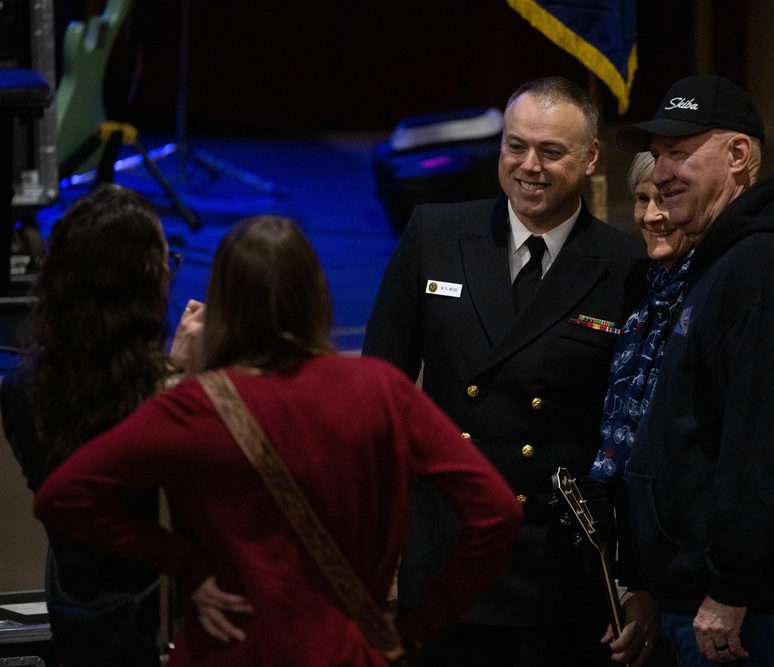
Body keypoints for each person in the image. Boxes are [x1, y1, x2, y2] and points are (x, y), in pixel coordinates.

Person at [33, 215, 524, 666]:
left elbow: (63, 496)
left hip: (227, 651)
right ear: (317, 292)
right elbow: (497, 511)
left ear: (221, 302)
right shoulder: (383, 392)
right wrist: (424, 626)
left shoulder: (190, 409)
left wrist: (184, 565)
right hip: (349, 653)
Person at [363, 76, 653, 666]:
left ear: (591, 156)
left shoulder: (626, 269)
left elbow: (637, 442)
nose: (529, 166)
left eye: (551, 152)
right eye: (515, 146)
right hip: (445, 552)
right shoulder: (435, 236)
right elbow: (376, 406)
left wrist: (638, 580)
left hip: (557, 570)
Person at [615, 74, 774, 666]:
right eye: (658, 154)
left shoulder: (762, 266)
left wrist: (730, 588)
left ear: (739, 156)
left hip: (745, 614)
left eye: (680, 152)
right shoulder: (714, 263)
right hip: (707, 598)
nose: (661, 172)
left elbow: (766, 445)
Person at [0, 183, 175, 666]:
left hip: (76, 628)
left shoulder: (22, 391)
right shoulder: (169, 399)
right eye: (164, 263)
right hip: (155, 633)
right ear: (141, 287)